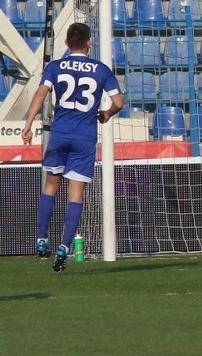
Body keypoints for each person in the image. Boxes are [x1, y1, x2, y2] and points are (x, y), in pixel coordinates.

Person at [21, 22, 124, 272]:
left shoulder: (55, 67)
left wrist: (29, 123)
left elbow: (40, 94)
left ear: (66, 43)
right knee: (75, 193)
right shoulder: (101, 69)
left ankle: (42, 239)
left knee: (50, 185)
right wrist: (107, 113)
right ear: (89, 43)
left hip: (59, 134)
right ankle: (64, 247)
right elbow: (119, 102)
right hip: (83, 137)